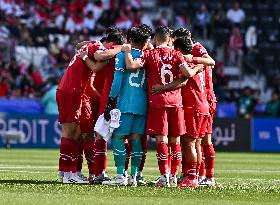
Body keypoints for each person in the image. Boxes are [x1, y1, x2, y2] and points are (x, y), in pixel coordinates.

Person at [123, 26, 204, 187]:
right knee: (175, 140)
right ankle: (174, 175)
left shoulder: (150, 54)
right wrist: (196, 68)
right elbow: (187, 75)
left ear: (155, 39)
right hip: (176, 102)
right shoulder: (177, 55)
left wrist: (126, 52)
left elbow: (131, 66)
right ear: (170, 39)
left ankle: (164, 176)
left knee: (162, 140)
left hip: (158, 102)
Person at [56, 39, 122, 184]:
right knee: (70, 132)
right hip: (71, 91)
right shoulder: (98, 46)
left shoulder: (89, 46)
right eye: (112, 48)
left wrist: (103, 101)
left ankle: (67, 171)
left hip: (74, 91)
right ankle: (68, 174)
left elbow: (80, 46)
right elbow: (100, 57)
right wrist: (121, 48)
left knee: (78, 133)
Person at [102, 27, 150, 186]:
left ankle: (120, 175)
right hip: (142, 105)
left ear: (129, 40)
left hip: (126, 104)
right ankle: (134, 177)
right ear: (146, 42)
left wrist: (110, 102)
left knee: (118, 138)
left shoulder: (122, 55)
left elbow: (116, 82)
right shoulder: (148, 56)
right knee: (136, 139)